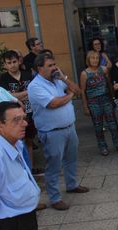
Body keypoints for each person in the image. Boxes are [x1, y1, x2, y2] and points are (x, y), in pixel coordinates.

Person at [28, 53, 89, 210]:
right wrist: (69, 95)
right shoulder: (35, 86)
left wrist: (64, 78)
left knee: (71, 160)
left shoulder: (57, 80)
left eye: (54, 64)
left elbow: (77, 90)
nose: (54, 67)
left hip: (69, 128)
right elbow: (53, 104)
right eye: (50, 65)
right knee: (53, 165)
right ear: (39, 68)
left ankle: (72, 184)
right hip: (52, 132)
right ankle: (55, 198)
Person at [0, 101, 41, 230]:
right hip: (12, 224)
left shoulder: (15, 142)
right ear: (0, 125)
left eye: (24, 118)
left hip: (24, 217)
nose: (24, 123)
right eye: (16, 120)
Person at [0, 50, 42, 175]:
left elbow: (34, 90)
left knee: (29, 140)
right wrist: (25, 93)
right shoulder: (3, 78)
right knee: (17, 141)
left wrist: (18, 96)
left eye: (14, 62)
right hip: (14, 116)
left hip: (30, 113)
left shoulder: (27, 74)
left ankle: (30, 168)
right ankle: (20, 170)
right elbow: (7, 95)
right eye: (9, 63)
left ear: (19, 61)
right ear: (5, 65)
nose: (12, 65)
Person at [79, 51, 118, 156]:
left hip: (106, 99)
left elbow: (109, 84)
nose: (95, 60)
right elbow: (82, 91)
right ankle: (102, 146)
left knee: (113, 124)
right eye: (92, 58)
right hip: (93, 101)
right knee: (98, 126)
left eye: (97, 58)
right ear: (88, 60)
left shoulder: (103, 69)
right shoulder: (84, 74)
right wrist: (85, 106)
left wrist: (113, 98)